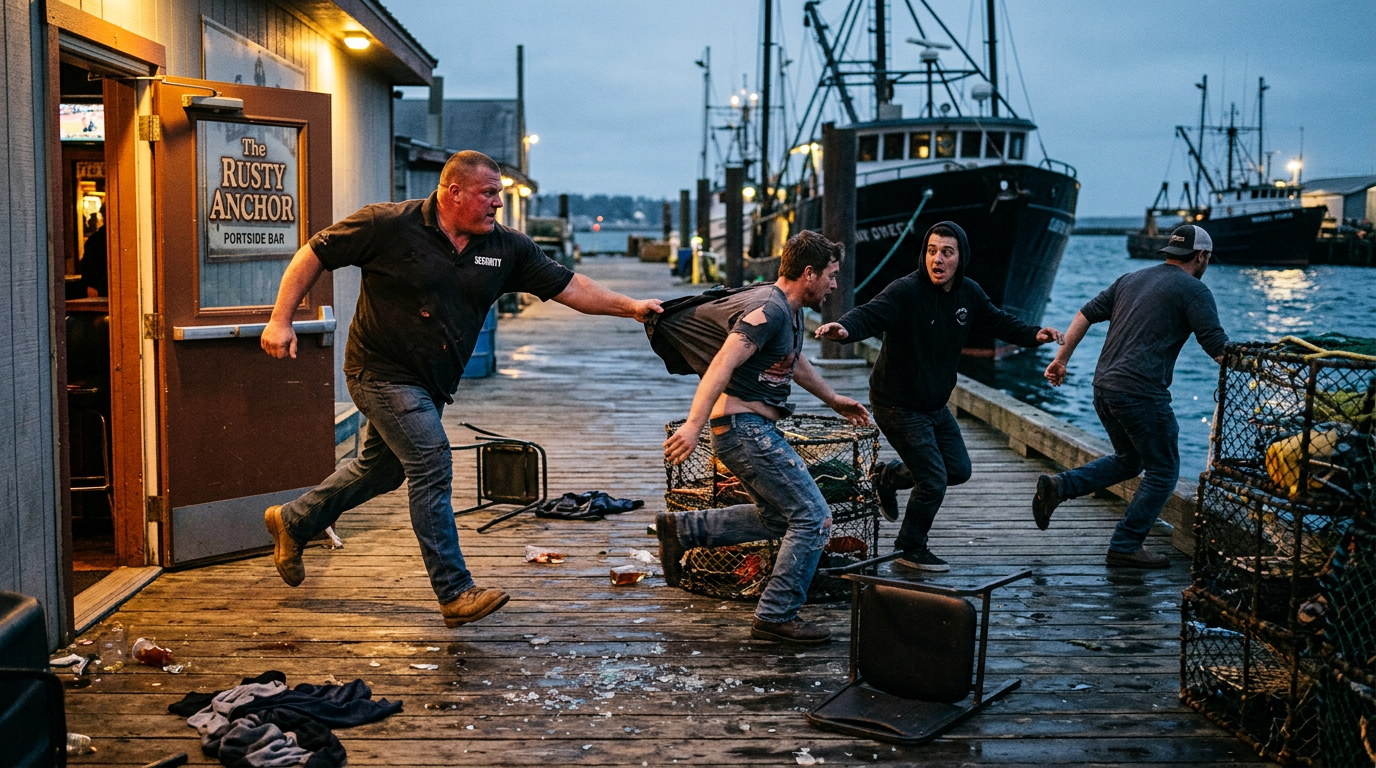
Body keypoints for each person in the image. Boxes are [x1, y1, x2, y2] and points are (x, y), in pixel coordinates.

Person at [259, 150, 662, 627]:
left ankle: (294, 520)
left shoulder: (506, 248)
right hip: (378, 370)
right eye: (489, 193)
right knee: (431, 462)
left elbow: (571, 286)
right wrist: (281, 318)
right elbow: (315, 253)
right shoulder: (387, 225)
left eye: (499, 194)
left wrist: (631, 306)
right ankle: (455, 592)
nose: (497, 203)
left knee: (382, 472)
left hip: (432, 383)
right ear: (453, 192)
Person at [656, 231, 869, 645]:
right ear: (808, 273)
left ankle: (683, 531)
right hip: (743, 430)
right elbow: (722, 363)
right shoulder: (767, 311)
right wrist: (693, 423)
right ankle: (776, 615)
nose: (834, 285)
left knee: (779, 516)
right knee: (814, 516)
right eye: (831, 275)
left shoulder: (786, 311)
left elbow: (793, 359)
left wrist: (834, 398)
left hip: (750, 430)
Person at [815, 221, 1062, 572]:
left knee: (957, 470)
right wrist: (845, 329)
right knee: (932, 480)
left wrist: (1036, 334)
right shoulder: (906, 291)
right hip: (896, 402)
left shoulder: (969, 294)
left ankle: (887, 477)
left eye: (947, 252)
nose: (938, 259)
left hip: (934, 404)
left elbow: (998, 322)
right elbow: (871, 313)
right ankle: (910, 547)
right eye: (932, 251)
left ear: (960, 258)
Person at [1033, 224, 1228, 568]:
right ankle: (1125, 545)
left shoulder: (1130, 279)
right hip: (1140, 393)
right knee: (1164, 470)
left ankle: (1059, 487)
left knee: (1129, 460)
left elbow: (1084, 315)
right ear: (1201, 257)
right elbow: (1218, 350)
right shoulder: (1195, 291)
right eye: (1206, 259)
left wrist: (1060, 360)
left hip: (1103, 387)